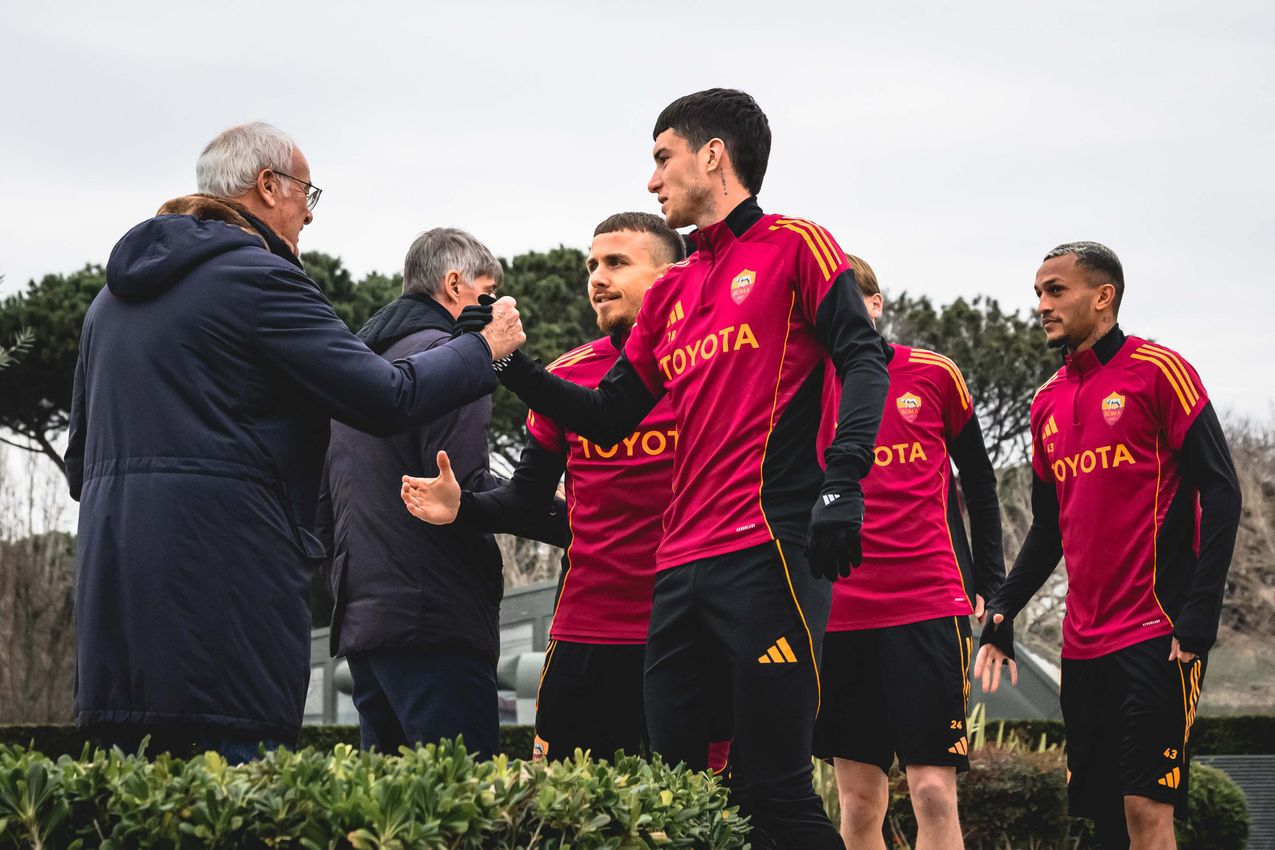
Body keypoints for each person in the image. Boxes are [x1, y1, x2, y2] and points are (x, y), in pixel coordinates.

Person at [494, 89, 889, 849]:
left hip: (768, 551)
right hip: (678, 574)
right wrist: (512, 365)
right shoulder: (670, 291)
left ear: (713, 155)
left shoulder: (794, 245)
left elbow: (862, 358)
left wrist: (844, 478)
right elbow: (608, 414)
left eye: (660, 157)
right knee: (670, 797)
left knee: (772, 789)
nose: (651, 180)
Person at [64, 122, 524, 763]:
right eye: (306, 193)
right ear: (267, 186)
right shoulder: (259, 281)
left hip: (113, 605)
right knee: (236, 802)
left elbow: (79, 464)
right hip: (226, 599)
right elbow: (387, 396)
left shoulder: (105, 306)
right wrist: (483, 348)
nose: (309, 213)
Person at [976, 242, 1241, 850]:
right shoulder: (1046, 401)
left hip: (1157, 632)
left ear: (1104, 297)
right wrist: (1002, 609)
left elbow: (1222, 492)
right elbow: (1049, 529)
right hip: (1083, 645)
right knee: (1103, 820)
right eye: (1037, 293)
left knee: (1146, 809)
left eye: (1055, 290)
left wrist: (1199, 614)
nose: (1041, 305)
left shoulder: (1160, 372)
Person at [402, 212, 685, 763]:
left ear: (671, 276)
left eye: (617, 263)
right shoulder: (569, 375)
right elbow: (526, 501)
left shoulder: (706, 366)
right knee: (567, 808)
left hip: (688, 631)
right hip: (585, 631)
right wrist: (461, 508)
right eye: (592, 265)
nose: (597, 278)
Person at [813, 256, 1014, 850]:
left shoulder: (934, 373)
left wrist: (991, 580)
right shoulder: (802, 383)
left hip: (926, 603)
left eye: (851, 298)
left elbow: (979, 481)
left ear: (873, 306)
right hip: (840, 610)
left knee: (931, 789)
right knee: (859, 801)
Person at [321, 228, 540, 760]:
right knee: (464, 812)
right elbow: (464, 488)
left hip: (365, 623)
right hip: (436, 619)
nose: (499, 308)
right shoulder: (451, 362)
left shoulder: (364, 366)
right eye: (488, 293)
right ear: (454, 285)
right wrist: (568, 517)